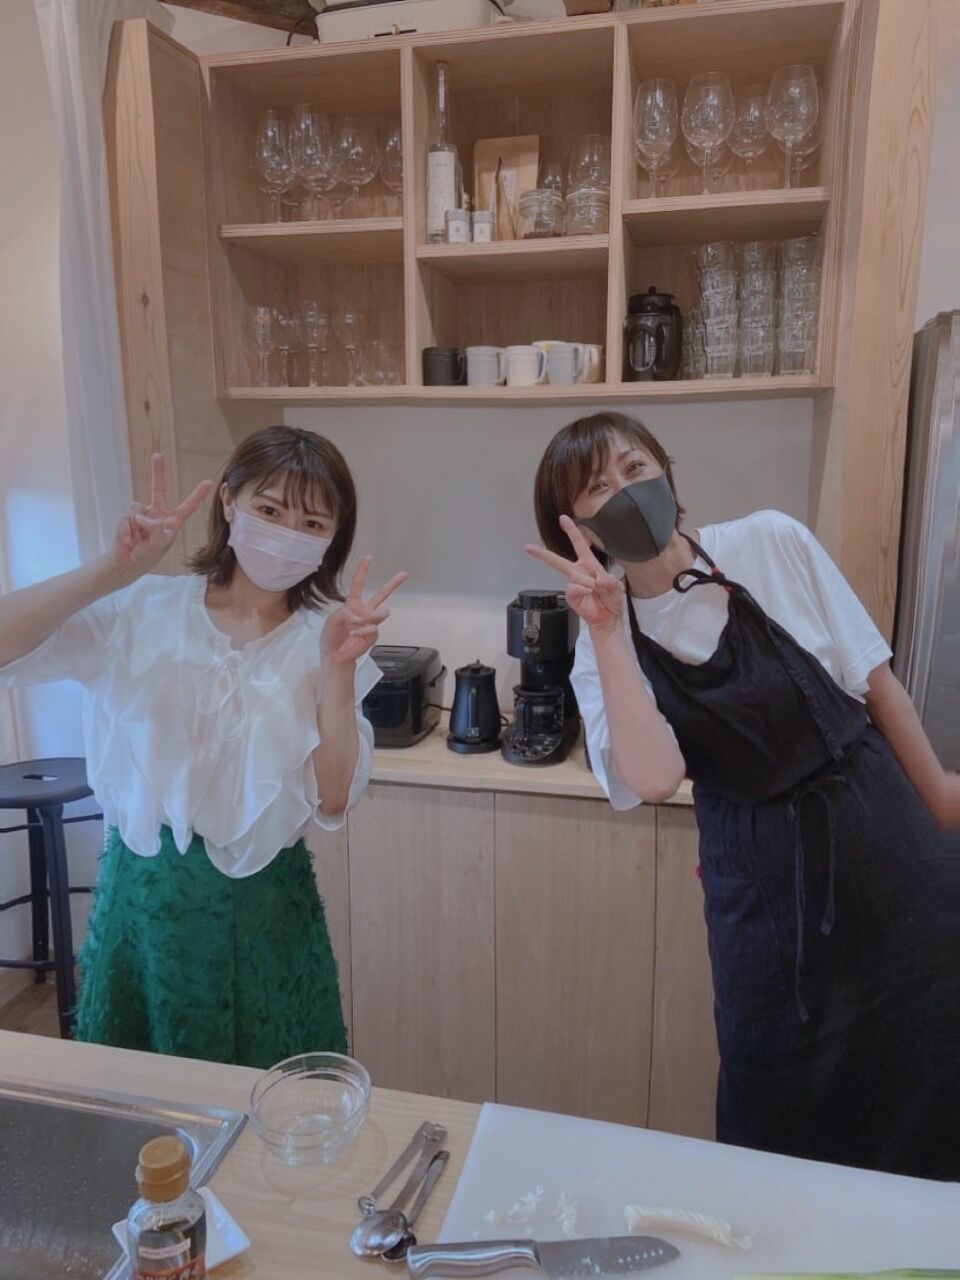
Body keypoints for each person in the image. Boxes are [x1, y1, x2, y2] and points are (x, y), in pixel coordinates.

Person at [528, 410, 959, 1179]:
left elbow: (877, 683)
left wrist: (942, 802)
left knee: (929, 1098)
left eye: (635, 468)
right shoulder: (603, 640)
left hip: (896, 866)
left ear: (667, 471)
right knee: (776, 1118)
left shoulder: (768, 540)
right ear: (577, 529)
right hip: (764, 910)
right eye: (597, 488)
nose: (625, 491)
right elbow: (654, 776)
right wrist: (607, 631)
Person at [0, 425, 405, 1069]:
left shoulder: (326, 637)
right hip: (143, 900)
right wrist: (114, 569)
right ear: (228, 503)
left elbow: (333, 796)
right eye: (269, 510)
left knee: (273, 1096)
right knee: (136, 1095)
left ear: (332, 539)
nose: (287, 533)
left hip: (268, 910)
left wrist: (336, 670)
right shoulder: (142, 608)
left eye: (311, 523)